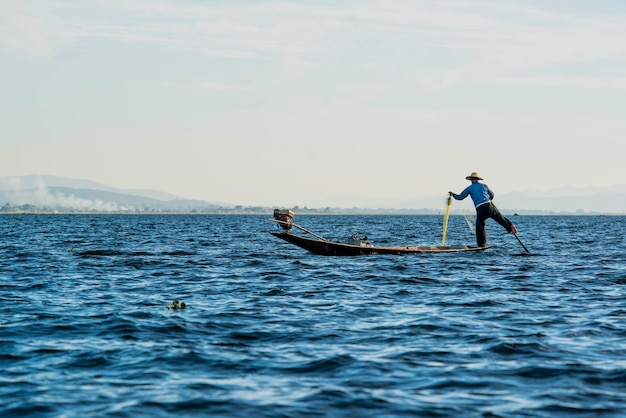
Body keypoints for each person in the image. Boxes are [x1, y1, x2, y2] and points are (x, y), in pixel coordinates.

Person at [449, 172, 517, 247]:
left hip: (480, 208)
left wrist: (453, 194)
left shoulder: (469, 188)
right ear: (478, 179)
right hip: (488, 205)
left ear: (471, 179)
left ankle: (482, 244)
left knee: (480, 226)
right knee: (499, 217)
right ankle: (510, 226)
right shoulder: (484, 186)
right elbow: (492, 195)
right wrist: (489, 199)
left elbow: (460, 197)